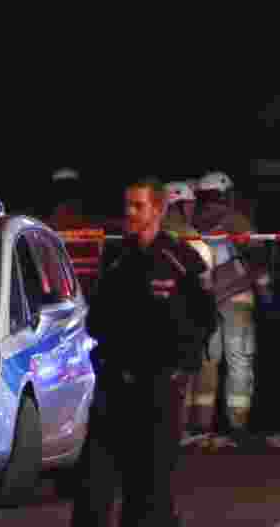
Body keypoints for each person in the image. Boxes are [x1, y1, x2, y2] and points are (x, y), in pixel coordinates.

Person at [71, 177, 216, 527]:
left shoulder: (179, 259)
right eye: (128, 206)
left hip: (158, 389)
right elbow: (98, 316)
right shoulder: (117, 256)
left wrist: (181, 366)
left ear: (159, 209)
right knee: (94, 483)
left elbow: (204, 319)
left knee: (148, 490)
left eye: (139, 206)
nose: (131, 213)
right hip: (114, 386)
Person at [193, 171, 268, 443]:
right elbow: (258, 256)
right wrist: (264, 287)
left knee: (207, 361)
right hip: (237, 296)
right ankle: (237, 425)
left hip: (205, 298)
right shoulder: (236, 220)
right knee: (239, 360)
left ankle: (201, 427)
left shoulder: (192, 222)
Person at [162, 181, 216, 442]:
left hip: (152, 322)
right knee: (183, 378)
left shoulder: (142, 240)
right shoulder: (195, 242)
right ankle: (181, 432)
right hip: (184, 322)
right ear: (182, 205)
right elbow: (206, 290)